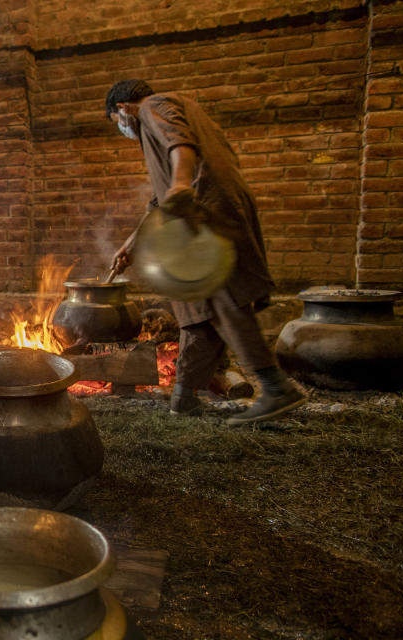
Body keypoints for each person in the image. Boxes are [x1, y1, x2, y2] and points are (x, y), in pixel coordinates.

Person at [104, 79, 305, 425]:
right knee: (196, 301)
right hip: (199, 207)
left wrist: (182, 183)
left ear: (123, 110)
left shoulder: (153, 107)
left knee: (219, 295)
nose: (125, 130)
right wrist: (133, 242)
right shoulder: (183, 110)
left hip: (204, 207)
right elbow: (159, 198)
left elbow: (180, 145)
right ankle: (185, 394)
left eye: (117, 123)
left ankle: (275, 388)